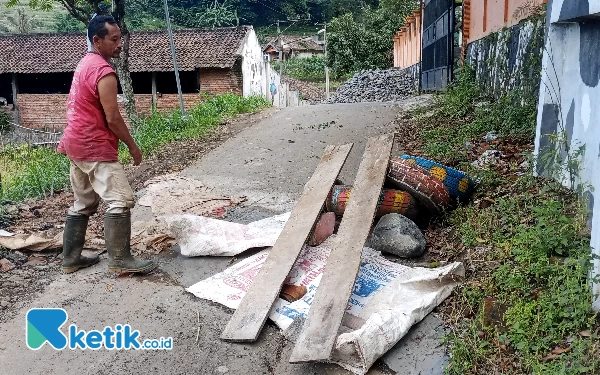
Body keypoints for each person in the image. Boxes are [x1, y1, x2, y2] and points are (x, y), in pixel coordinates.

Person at [57, 15, 154, 275]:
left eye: (120, 38)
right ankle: (120, 260)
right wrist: (132, 146)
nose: (120, 44)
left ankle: (71, 259)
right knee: (121, 200)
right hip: (93, 144)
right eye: (114, 39)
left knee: (83, 202)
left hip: (74, 143)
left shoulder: (84, 64)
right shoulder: (103, 70)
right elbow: (112, 118)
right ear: (97, 40)